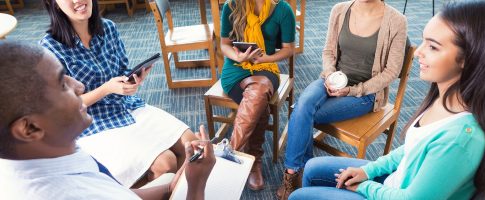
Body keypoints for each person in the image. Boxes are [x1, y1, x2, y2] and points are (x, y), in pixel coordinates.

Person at [289, 1, 485, 199]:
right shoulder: (443, 101)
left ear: (468, 58)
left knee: (297, 196)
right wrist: (368, 170)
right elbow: (411, 148)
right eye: (424, 41)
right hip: (396, 181)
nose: (417, 52)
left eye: (433, 47)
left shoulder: (461, 139)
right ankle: (293, 171)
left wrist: (366, 186)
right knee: (312, 167)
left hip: (394, 192)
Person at [0, 41, 216, 200]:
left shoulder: (48, 154)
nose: (79, 86)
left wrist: (169, 189)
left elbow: (117, 193)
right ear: (30, 128)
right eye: (62, 84)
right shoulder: (69, 194)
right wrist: (196, 186)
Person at [39, 0, 198, 187]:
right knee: (166, 163)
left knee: (193, 144)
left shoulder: (108, 28)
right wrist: (106, 89)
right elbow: (62, 107)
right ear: (55, 4)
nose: (78, 1)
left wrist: (132, 80)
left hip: (125, 106)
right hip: (92, 122)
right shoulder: (49, 48)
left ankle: (182, 192)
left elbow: (122, 70)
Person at [278, 0, 407, 198]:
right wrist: (330, 75)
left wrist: (353, 90)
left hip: (364, 94)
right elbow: (329, 51)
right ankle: (294, 173)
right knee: (303, 106)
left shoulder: (397, 21)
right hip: (331, 80)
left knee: (301, 112)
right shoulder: (339, 10)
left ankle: (297, 175)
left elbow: (391, 71)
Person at [219, 0, 295, 190]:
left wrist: (265, 58)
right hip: (236, 69)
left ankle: (230, 152)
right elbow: (224, 45)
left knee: (259, 92)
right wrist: (238, 57)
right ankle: (253, 159)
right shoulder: (232, 5)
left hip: (266, 67)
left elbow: (289, 48)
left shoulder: (282, 9)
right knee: (260, 103)